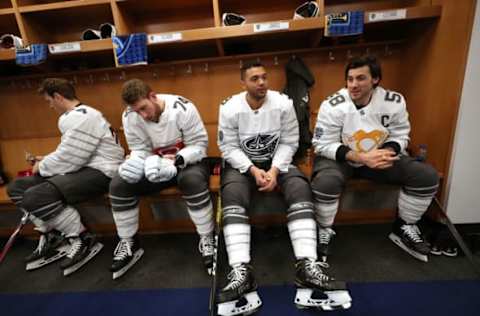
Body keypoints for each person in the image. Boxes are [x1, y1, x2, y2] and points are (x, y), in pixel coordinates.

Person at [216, 61, 351, 315]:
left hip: (278, 162)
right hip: (244, 165)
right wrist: (254, 171)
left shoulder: (283, 103)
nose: (261, 83)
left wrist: (275, 170)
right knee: (232, 192)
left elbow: (290, 141)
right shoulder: (230, 108)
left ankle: (307, 267)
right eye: (254, 78)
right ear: (243, 83)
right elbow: (229, 148)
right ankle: (240, 271)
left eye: (264, 77)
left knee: (300, 188)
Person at [311, 55, 439, 263]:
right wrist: (360, 156)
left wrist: (385, 153)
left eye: (360, 78)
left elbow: (400, 135)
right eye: (350, 79)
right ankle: (324, 229)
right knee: (325, 181)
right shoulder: (333, 104)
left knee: (426, 175)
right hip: (341, 158)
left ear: (375, 79)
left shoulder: (393, 101)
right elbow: (322, 144)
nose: (353, 84)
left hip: (379, 157)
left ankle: (404, 226)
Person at [7, 78, 125, 275]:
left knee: (36, 196)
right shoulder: (78, 115)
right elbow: (71, 152)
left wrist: (41, 166)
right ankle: (54, 235)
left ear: (58, 96)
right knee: (17, 188)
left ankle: (81, 238)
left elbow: (71, 158)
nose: (50, 106)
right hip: (84, 168)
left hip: (103, 171)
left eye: (49, 101)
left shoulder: (81, 117)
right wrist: (44, 159)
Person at [109, 79, 215, 279]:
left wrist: (177, 160)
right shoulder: (130, 115)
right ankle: (129, 241)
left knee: (191, 180)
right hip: (155, 166)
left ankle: (207, 237)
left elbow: (200, 145)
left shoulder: (183, 107)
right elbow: (139, 148)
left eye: (144, 108)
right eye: (137, 111)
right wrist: (136, 161)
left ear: (153, 96)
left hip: (189, 161)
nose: (142, 115)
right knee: (119, 183)